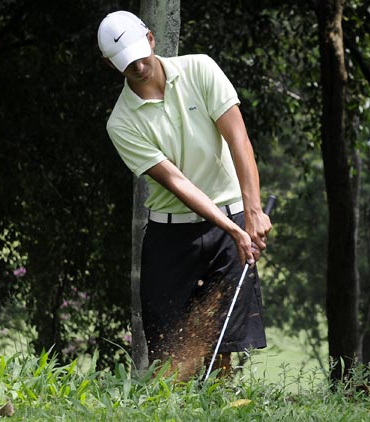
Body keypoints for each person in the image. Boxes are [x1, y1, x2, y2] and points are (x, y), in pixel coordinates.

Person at [97, 10, 272, 376]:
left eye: (139, 53)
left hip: (231, 216)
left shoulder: (201, 69)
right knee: (171, 352)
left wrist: (252, 211)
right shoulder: (121, 122)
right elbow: (177, 182)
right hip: (172, 235)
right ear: (110, 64)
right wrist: (235, 229)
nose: (138, 65)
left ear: (150, 39)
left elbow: (239, 140)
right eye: (126, 62)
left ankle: (221, 409)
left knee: (223, 343)